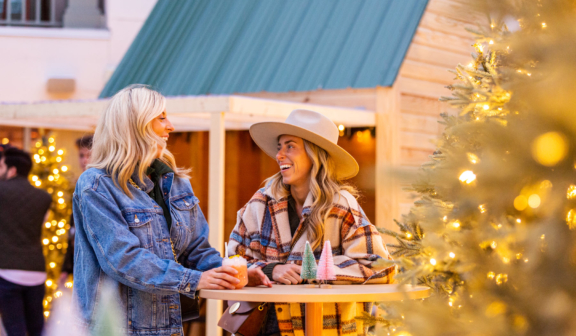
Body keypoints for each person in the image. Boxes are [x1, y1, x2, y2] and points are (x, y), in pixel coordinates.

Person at [73, 85, 270, 334]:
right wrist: (194, 280)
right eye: (161, 117)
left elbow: (195, 251)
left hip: (168, 325)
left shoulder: (175, 182)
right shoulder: (96, 184)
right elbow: (122, 258)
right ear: (136, 125)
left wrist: (231, 272)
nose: (171, 126)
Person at [228, 109, 396, 336]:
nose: (279, 155)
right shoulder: (260, 203)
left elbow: (381, 266)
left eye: (290, 146)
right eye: (279, 147)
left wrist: (318, 270)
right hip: (264, 328)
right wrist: (270, 269)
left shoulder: (341, 205)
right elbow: (232, 263)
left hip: (327, 329)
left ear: (313, 153)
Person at [0, 147, 52, 336]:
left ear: (12, 169)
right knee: (37, 329)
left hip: (6, 271)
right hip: (36, 272)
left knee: (15, 331)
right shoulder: (44, 197)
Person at [60, 135, 93, 281]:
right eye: (81, 155)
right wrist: (66, 267)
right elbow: (73, 230)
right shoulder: (80, 185)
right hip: (80, 265)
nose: (84, 160)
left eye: (89, 155)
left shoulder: (101, 186)